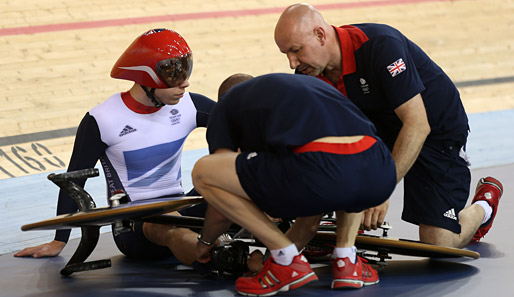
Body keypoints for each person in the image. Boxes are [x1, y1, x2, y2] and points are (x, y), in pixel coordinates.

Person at [274, 3, 504, 248]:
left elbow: (417, 125)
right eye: (286, 53)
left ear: (320, 35)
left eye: (296, 50)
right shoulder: (309, 75)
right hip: (381, 131)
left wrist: (380, 190)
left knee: (439, 243)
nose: (292, 63)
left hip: (434, 132)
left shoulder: (380, 45)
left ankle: (484, 206)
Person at [14, 28, 216, 266]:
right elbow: (73, 180)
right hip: (133, 228)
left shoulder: (190, 105)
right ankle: (224, 259)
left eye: (186, 70)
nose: (185, 83)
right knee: (171, 224)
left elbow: (239, 123)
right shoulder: (103, 119)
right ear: (147, 77)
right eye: (175, 75)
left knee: (234, 187)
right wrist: (60, 240)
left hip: (179, 208)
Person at [192, 73, 397, 294]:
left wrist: (205, 242)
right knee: (340, 164)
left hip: (326, 172)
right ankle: (346, 261)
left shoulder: (226, 108)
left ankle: (286, 261)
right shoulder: (300, 97)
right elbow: (308, 223)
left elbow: (221, 204)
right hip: (381, 172)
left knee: (205, 171)